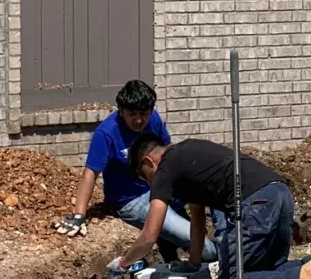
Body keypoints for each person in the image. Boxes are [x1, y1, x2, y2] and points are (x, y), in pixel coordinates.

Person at [116, 134, 311, 279]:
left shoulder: (165, 170)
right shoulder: (188, 153)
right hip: (280, 194)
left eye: (143, 176)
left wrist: (123, 264)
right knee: (264, 269)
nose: (148, 183)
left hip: (255, 204)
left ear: (149, 162)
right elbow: (197, 222)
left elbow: (149, 235)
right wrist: (193, 263)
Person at [53, 79, 213, 263]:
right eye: (132, 114)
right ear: (121, 110)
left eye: (144, 114)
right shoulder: (107, 133)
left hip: (160, 188)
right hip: (133, 200)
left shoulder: (154, 120)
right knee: (205, 249)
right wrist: (79, 215)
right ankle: (211, 259)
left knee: (210, 196)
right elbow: (90, 173)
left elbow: (168, 151)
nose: (138, 120)